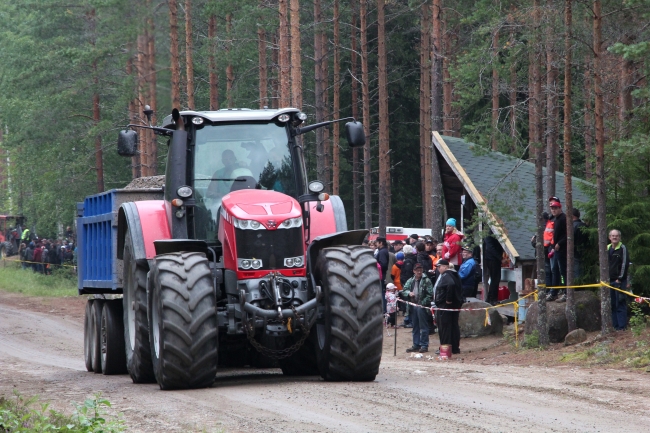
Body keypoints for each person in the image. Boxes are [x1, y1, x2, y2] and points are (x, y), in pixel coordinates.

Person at [403, 263, 434, 353]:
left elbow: (430, 294)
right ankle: (416, 344)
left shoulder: (426, 280)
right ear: (414, 271)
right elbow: (404, 290)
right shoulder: (411, 280)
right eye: (417, 270)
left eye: (420, 269)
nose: (419, 271)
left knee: (423, 326)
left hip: (422, 307)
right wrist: (409, 293)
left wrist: (422, 303)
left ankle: (424, 345)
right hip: (412, 306)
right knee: (415, 326)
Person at [434, 259, 463, 354]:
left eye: (439, 267)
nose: (438, 269)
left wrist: (448, 299)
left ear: (445, 267)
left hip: (445, 306)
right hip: (453, 305)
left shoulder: (446, 275)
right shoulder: (454, 274)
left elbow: (451, 284)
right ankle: (454, 348)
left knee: (444, 327)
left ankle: (445, 348)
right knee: (453, 326)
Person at [608, 230, 630, 331]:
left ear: (620, 237)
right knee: (612, 304)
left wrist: (620, 278)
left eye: (616, 236)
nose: (614, 237)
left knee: (620, 303)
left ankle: (622, 327)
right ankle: (615, 326)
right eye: (613, 236)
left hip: (619, 281)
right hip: (609, 281)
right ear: (609, 237)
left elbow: (625, 264)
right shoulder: (607, 248)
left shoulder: (622, 248)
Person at [547, 200, 568, 302]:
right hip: (555, 249)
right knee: (554, 270)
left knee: (563, 271)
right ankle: (554, 293)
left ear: (560, 208)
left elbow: (567, 235)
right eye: (552, 208)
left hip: (562, 249)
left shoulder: (564, 218)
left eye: (556, 208)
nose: (554, 210)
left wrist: (560, 243)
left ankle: (566, 292)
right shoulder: (554, 219)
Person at [483, 234, 504, 305]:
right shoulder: (490, 236)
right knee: (495, 279)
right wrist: (500, 258)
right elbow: (491, 248)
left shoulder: (489, 235)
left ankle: (490, 298)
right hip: (493, 259)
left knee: (494, 279)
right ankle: (493, 299)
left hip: (491, 258)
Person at [400, 245, 417, 328]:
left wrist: (405, 282)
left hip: (408, 284)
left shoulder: (408, 261)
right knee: (408, 303)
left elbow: (408, 274)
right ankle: (407, 319)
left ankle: (410, 320)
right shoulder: (412, 259)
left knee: (409, 303)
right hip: (409, 283)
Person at [572, 208, 588, 280]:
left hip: (574, 252)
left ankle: (577, 286)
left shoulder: (572, 227)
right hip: (585, 251)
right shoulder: (585, 226)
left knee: (576, 270)